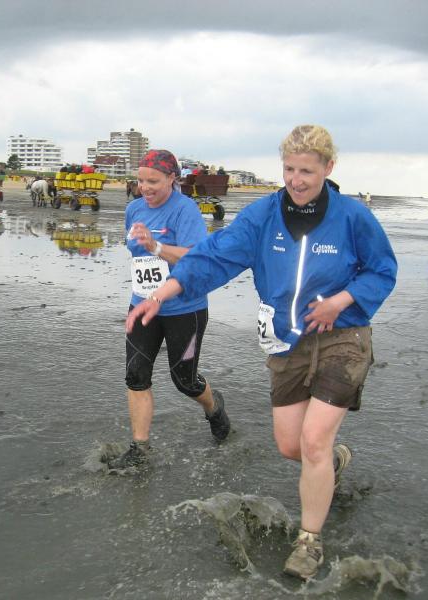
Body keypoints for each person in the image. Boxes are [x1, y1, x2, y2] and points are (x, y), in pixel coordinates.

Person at [126, 125, 397, 579]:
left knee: (313, 439)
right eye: (289, 169)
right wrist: (161, 295)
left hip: (342, 337)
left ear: (328, 168)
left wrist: (342, 300)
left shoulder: (353, 216)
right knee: (291, 445)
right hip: (287, 342)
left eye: (306, 171)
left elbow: (382, 270)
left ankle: (308, 542)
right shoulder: (263, 216)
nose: (296, 179)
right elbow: (211, 258)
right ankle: (332, 464)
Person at [109, 149, 231, 470]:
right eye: (140, 181)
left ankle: (214, 407)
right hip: (142, 305)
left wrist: (156, 246)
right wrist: (147, 258)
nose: (144, 188)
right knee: (136, 375)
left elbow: (196, 258)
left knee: (184, 380)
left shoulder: (185, 210)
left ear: (172, 179)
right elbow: (137, 254)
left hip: (184, 309)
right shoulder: (134, 209)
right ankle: (140, 449)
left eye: (153, 181)